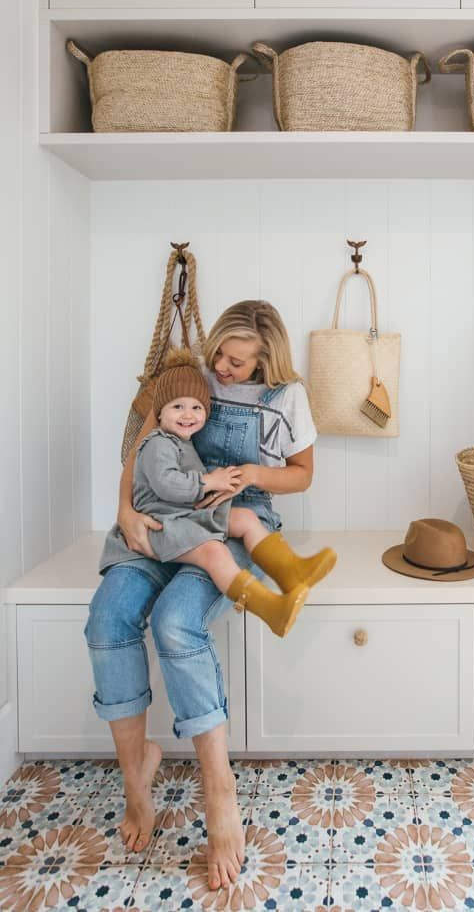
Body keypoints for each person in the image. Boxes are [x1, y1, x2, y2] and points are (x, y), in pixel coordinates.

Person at [85, 300, 334, 892]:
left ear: (266, 360)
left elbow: (302, 472)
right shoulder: (191, 377)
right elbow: (140, 449)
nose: (222, 367)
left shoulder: (287, 396)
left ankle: (219, 794)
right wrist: (124, 511)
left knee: (175, 623)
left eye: (238, 362)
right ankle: (135, 775)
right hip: (158, 516)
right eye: (220, 353)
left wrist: (252, 475)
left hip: (235, 516)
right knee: (108, 618)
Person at [99, 347, 313, 636]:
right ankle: (268, 608)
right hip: (162, 522)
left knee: (247, 519)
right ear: (159, 411)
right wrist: (208, 482)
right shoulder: (156, 443)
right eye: (177, 407)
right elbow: (167, 484)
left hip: (186, 513)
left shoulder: (181, 441)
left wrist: (228, 480)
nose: (188, 415)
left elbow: (302, 475)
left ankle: (291, 571)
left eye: (197, 407)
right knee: (215, 553)